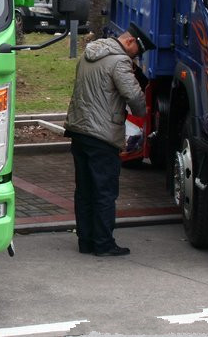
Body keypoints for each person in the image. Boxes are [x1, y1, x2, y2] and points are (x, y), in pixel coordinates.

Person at [64, 22, 156, 256]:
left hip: (79, 130)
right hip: (103, 134)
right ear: (129, 41)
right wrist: (143, 112)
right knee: (105, 191)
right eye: (137, 51)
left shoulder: (89, 54)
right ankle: (103, 243)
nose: (136, 57)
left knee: (84, 190)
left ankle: (85, 241)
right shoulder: (120, 61)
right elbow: (134, 96)